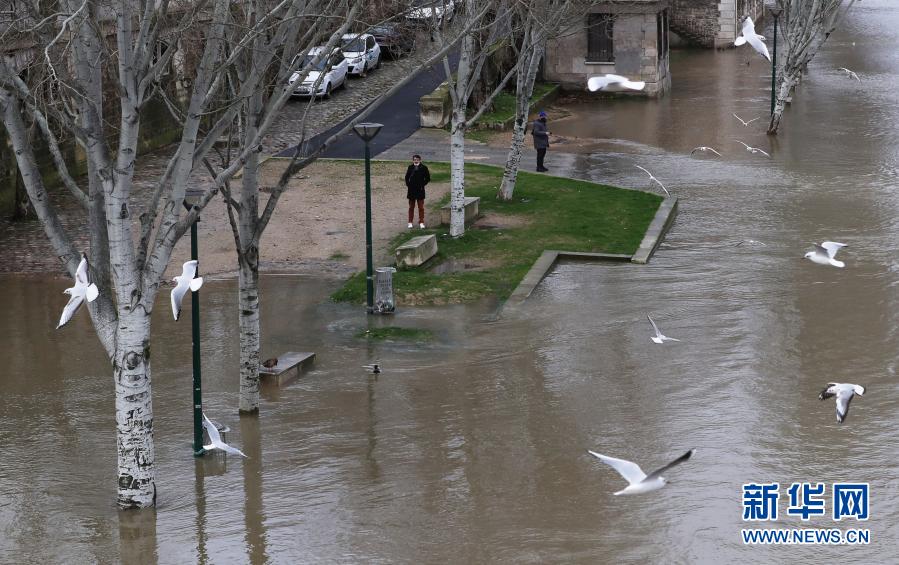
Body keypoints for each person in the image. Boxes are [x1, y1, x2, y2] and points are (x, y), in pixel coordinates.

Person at [405, 154, 430, 229]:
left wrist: (422, 184)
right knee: (411, 207)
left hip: (420, 190)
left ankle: (421, 222)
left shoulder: (424, 168)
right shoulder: (410, 167)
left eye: (417, 159)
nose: (416, 160)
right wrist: (408, 184)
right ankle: (410, 222)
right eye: (414, 159)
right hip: (411, 190)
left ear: (420, 160)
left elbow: (428, 178)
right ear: (413, 160)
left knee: (421, 207)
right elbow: (406, 177)